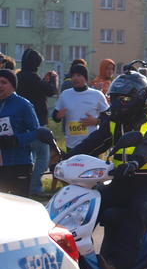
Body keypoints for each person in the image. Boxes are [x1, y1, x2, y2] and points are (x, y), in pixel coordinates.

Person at [66, 68, 147, 269]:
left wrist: (135, 161)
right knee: (87, 204)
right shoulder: (115, 121)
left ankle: (117, 267)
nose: (117, 104)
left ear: (141, 98)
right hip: (122, 182)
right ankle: (76, 259)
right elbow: (93, 143)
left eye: (123, 99)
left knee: (137, 211)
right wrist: (65, 158)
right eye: (114, 98)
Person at [16, 48, 58, 197]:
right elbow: (51, 91)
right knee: (43, 156)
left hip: (20, 125)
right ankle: (34, 188)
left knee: (27, 158)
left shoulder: (18, 77)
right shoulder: (33, 78)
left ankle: (23, 186)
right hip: (37, 125)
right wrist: (53, 79)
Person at [0, 69, 39, 196]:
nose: (0, 85)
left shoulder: (23, 104)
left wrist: (15, 140)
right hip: (1, 164)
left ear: (13, 86)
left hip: (19, 163)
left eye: (3, 82)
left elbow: (36, 132)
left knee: (20, 203)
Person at [52, 63, 109, 149]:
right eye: (73, 76)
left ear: (85, 78)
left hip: (91, 143)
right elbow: (55, 116)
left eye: (78, 75)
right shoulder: (65, 94)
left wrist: (97, 121)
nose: (75, 78)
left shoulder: (97, 95)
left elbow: (108, 117)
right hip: (71, 145)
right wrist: (58, 116)